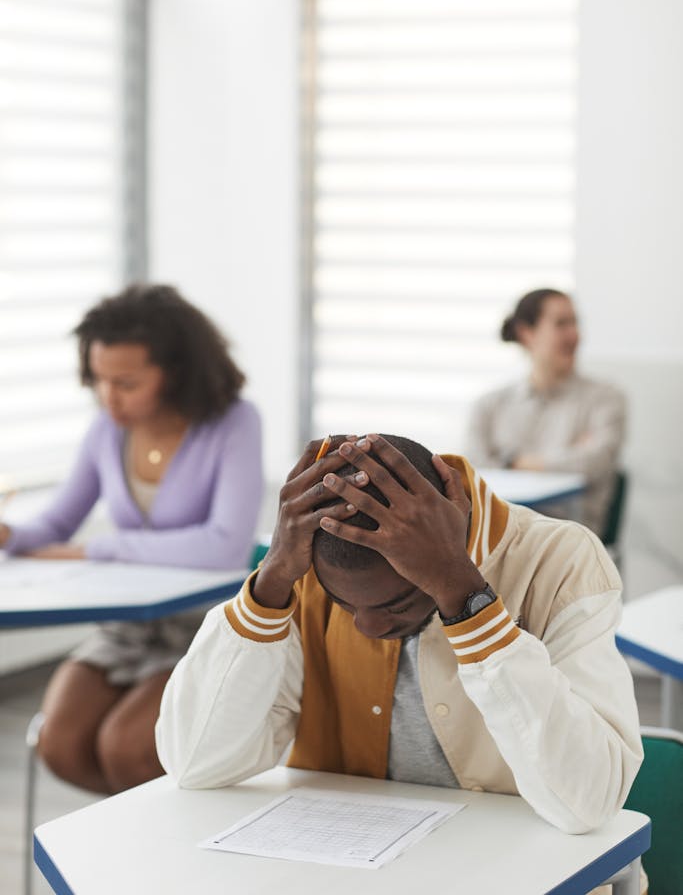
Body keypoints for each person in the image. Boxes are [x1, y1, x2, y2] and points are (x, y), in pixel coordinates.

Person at [156, 432, 642, 841]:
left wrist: (464, 594)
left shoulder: (562, 559)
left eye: (395, 606)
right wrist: (272, 580)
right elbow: (197, 764)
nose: (367, 627)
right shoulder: (303, 563)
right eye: (344, 605)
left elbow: (590, 802)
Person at [0, 284, 262, 794]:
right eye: (98, 380)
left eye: (126, 382)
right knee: (61, 744)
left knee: (126, 747)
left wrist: (97, 548)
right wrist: (10, 533)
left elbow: (225, 546)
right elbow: (54, 527)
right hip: (129, 629)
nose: (108, 397)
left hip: (203, 630)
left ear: (176, 372)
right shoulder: (108, 429)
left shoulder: (233, 422)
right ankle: (138, 843)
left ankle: (155, 849)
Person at [464, 288, 626, 536]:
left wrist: (511, 461)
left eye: (575, 322)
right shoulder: (489, 405)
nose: (575, 334)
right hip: (499, 532)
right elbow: (473, 473)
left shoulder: (605, 399)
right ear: (526, 333)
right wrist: (564, 457)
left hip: (570, 537)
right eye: (561, 324)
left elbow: (593, 463)